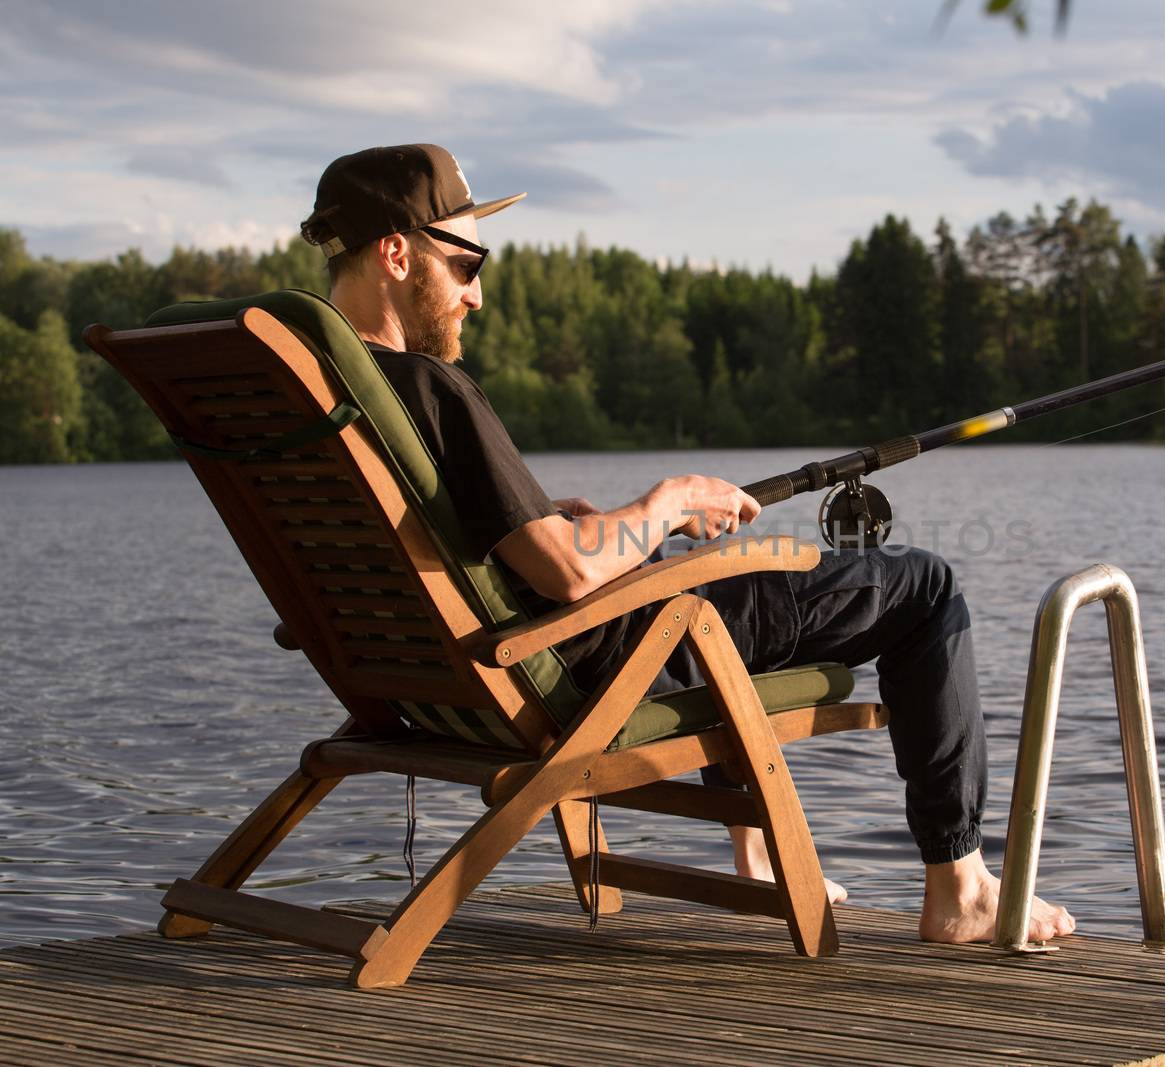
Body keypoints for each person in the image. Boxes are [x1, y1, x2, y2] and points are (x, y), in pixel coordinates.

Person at [299, 144, 1073, 944]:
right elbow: (566, 572)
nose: (479, 295)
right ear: (396, 252)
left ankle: (757, 848)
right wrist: (670, 501)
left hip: (443, 678)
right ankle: (962, 887)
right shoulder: (432, 385)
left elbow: (489, 544)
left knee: (696, 590)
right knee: (922, 588)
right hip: (598, 658)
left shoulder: (330, 398)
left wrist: (551, 521)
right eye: (467, 264)